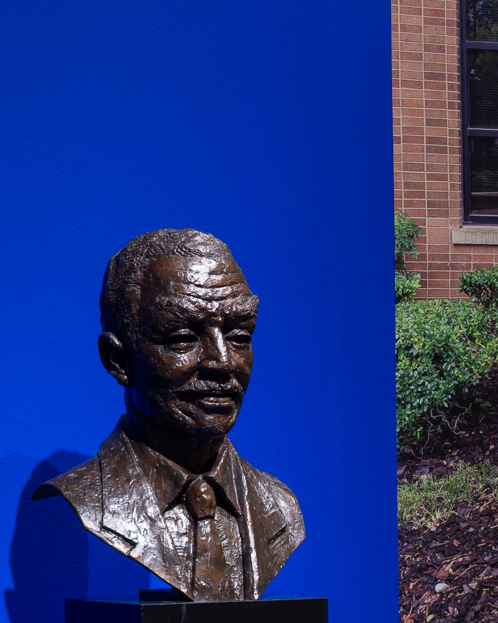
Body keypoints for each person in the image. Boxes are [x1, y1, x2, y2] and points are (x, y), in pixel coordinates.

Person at [35, 229, 305, 601]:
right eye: (183, 339)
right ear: (119, 360)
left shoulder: (280, 506)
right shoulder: (91, 499)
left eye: (239, 336)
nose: (222, 363)